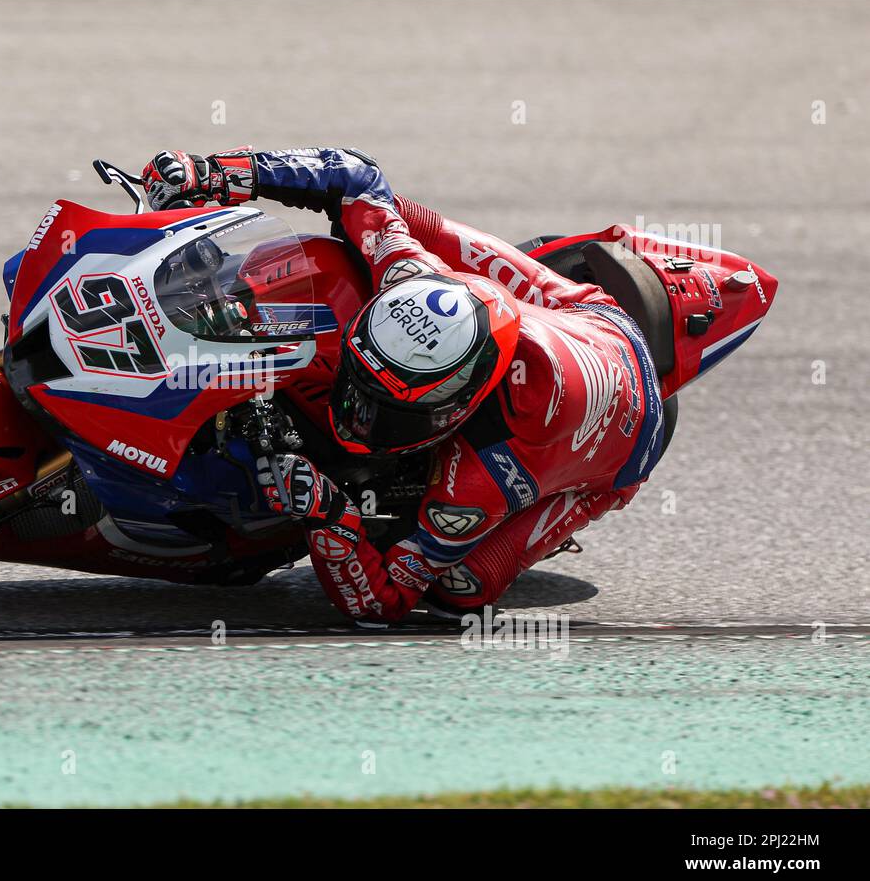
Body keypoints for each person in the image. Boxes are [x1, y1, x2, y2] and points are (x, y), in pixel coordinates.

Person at [141, 147, 665, 624]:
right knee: (402, 218)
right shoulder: (408, 272)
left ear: (451, 412)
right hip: (585, 314)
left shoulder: (485, 481)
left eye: (383, 410)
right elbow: (355, 177)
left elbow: (383, 602)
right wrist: (219, 173)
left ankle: (579, 507)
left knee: (459, 592)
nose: (352, 416)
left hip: (622, 443)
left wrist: (327, 510)